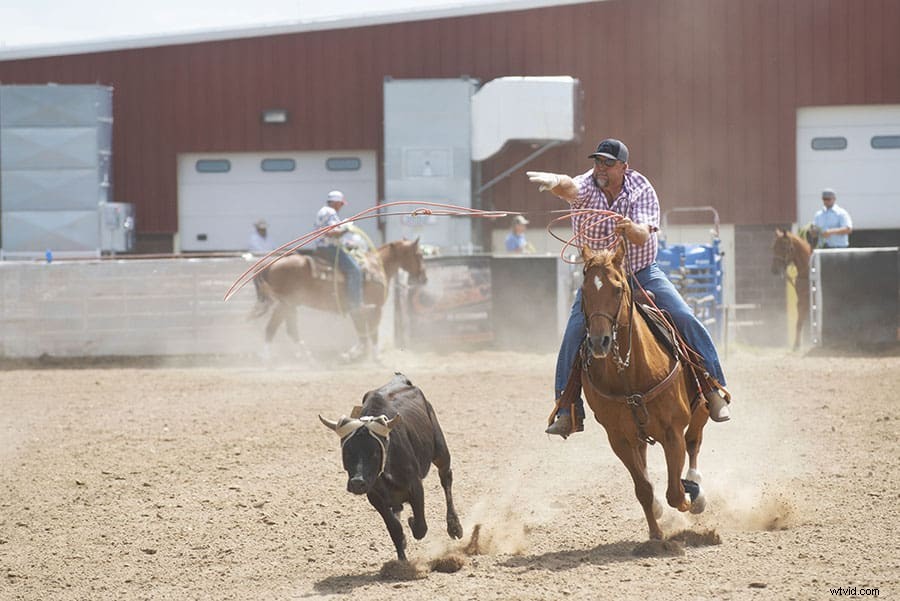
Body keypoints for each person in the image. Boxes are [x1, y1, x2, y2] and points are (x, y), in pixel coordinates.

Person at [526, 138, 731, 437]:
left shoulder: (640, 189)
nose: (601, 168)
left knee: (684, 317)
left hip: (641, 273)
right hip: (601, 279)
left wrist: (630, 227)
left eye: (608, 163)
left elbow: (641, 235)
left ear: (624, 166)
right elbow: (570, 187)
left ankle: (713, 388)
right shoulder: (587, 184)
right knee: (573, 334)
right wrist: (555, 181)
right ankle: (567, 408)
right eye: (598, 162)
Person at [314, 190, 373, 315]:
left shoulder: (323, 211)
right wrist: (346, 227)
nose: (341, 206)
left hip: (322, 247)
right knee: (355, 270)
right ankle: (355, 304)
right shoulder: (330, 212)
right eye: (341, 204)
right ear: (336, 202)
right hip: (329, 248)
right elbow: (332, 233)